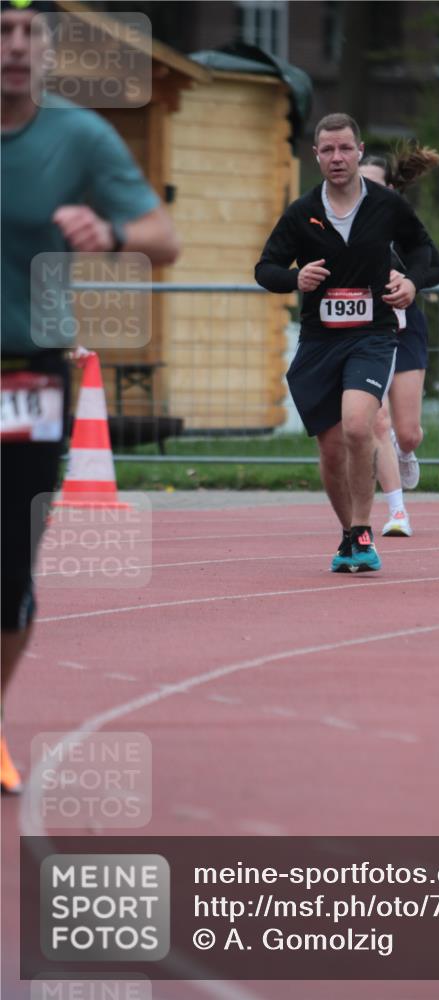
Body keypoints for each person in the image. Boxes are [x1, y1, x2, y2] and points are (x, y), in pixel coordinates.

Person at [1, 0, 180, 793]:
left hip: (26, 374)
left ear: (46, 50)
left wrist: (108, 235)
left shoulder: (78, 138)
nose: (13, 47)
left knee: (9, 566)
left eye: (27, 34)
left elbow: (163, 237)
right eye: (0, 33)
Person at [255, 112, 437, 574]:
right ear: (316, 157)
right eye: (328, 150)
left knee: (359, 426)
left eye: (345, 148)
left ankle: (362, 529)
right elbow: (265, 268)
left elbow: (425, 254)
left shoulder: (385, 206)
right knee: (332, 446)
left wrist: (412, 283)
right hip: (319, 343)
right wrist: (297, 278)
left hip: (372, 336)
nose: (337, 157)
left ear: (359, 151)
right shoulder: (301, 213)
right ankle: (348, 535)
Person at [359, 145, 439, 537]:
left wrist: (410, 281)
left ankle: (404, 448)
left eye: (373, 186)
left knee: (407, 431)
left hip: (406, 326)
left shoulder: (404, 226)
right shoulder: (343, 225)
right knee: (376, 419)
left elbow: (438, 268)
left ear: (392, 190)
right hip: (365, 328)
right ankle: (396, 511)